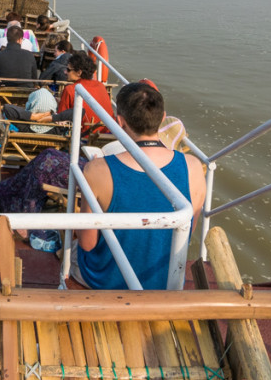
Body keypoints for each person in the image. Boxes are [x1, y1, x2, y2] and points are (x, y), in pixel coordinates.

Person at [71, 81, 206, 289]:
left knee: (69, 249)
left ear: (119, 121)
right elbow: (186, 234)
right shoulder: (194, 168)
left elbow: (87, 244)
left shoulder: (96, 170)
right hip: (165, 281)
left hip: (106, 281)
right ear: (162, 118)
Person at [34, 52, 112, 133]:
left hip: (85, 135)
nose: (65, 72)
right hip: (107, 131)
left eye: (68, 70)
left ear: (79, 72)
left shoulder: (70, 89)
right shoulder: (101, 86)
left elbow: (61, 118)